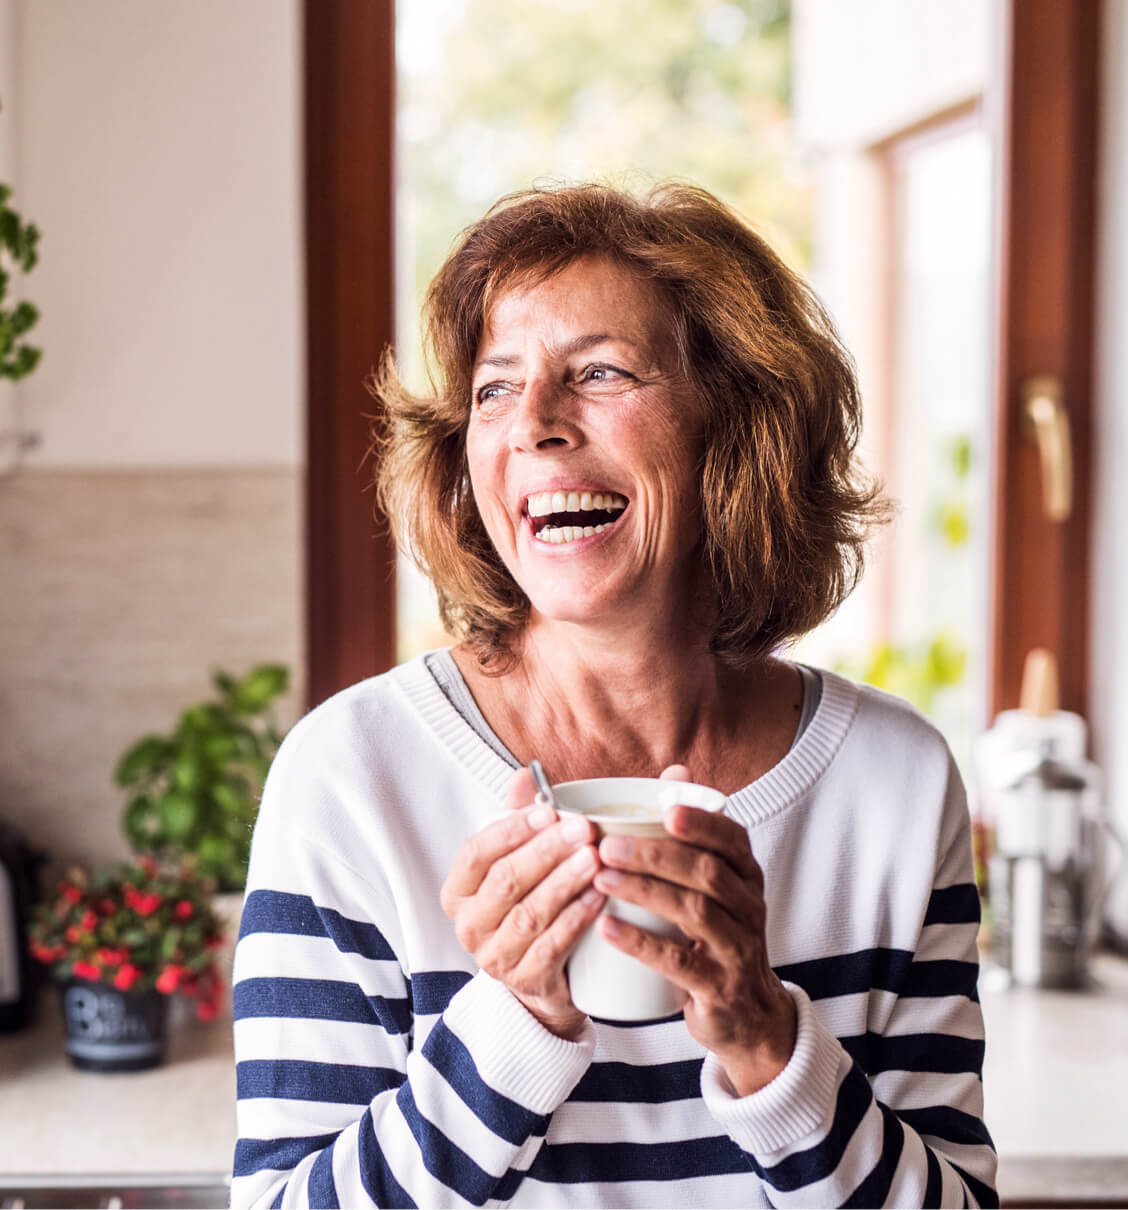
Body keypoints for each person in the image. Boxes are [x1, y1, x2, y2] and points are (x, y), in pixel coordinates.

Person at [230, 182, 997, 1208]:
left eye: (599, 372)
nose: (535, 423)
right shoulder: (350, 778)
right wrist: (512, 1024)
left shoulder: (893, 785)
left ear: (734, 427)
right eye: (495, 389)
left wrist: (768, 1041)